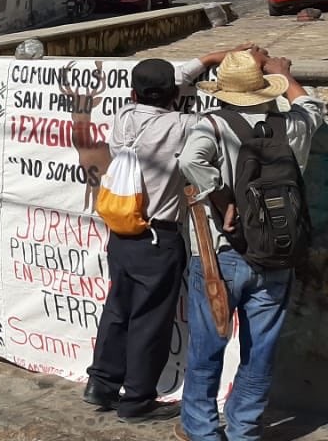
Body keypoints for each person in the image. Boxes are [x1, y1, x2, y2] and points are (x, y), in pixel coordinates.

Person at [83, 50, 240, 423]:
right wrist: (211, 63)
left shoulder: (123, 118)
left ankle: (101, 383)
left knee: (118, 309)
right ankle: (137, 400)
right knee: (150, 320)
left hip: (121, 235)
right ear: (173, 95)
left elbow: (164, 85)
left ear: (134, 95)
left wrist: (200, 61)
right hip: (158, 237)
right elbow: (214, 118)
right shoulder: (185, 126)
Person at [176, 50, 324, 441]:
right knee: (260, 351)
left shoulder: (213, 125)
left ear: (223, 91)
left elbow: (190, 161)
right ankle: (244, 429)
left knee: (208, 347)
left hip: (222, 256)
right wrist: (284, 73)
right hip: (278, 254)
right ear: (264, 88)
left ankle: (203, 430)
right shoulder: (291, 127)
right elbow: (312, 107)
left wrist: (223, 200)